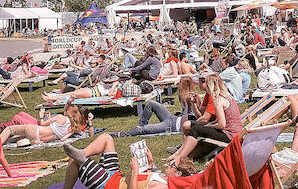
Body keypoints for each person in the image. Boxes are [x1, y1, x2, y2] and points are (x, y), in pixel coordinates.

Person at [62, 134, 196, 189]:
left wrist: (135, 171)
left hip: (108, 185)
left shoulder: (162, 187)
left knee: (74, 162)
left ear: (178, 174)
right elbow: (144, 182)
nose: (169, 163)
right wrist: (149, 164)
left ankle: (80, 157)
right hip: (115, 176)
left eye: (173, 165)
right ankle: (83, 154)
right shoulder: (165, 178)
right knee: (107, 138)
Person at [168, 74, 242, 165]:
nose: (203, 86)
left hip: (229, 135)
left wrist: (209, 125)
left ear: (210, 86)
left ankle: (180, 158)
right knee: (196, 127)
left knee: (196, 129)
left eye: (206, 83)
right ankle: (178, 154)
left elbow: (222, 124)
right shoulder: (227, 97)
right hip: (235, 133)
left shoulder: (218, 100)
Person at [109, 76, 195, 138]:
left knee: (146, 129)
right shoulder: (184, 96)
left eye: (180, 83)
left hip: (173, 125)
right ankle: (140, 127)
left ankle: (121, 134)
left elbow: (190, 118)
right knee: (150, 103)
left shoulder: (191, 99)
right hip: (173, 118)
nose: (178, 85)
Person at [0, 104, 84, 144]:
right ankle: (2, 139)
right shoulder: (72, 128)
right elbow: (62, 140)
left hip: (35, 130)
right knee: (10, 139)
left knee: (10, 127)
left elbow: (43, 124)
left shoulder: (60, 117)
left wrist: (41, 116)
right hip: (38, 140)